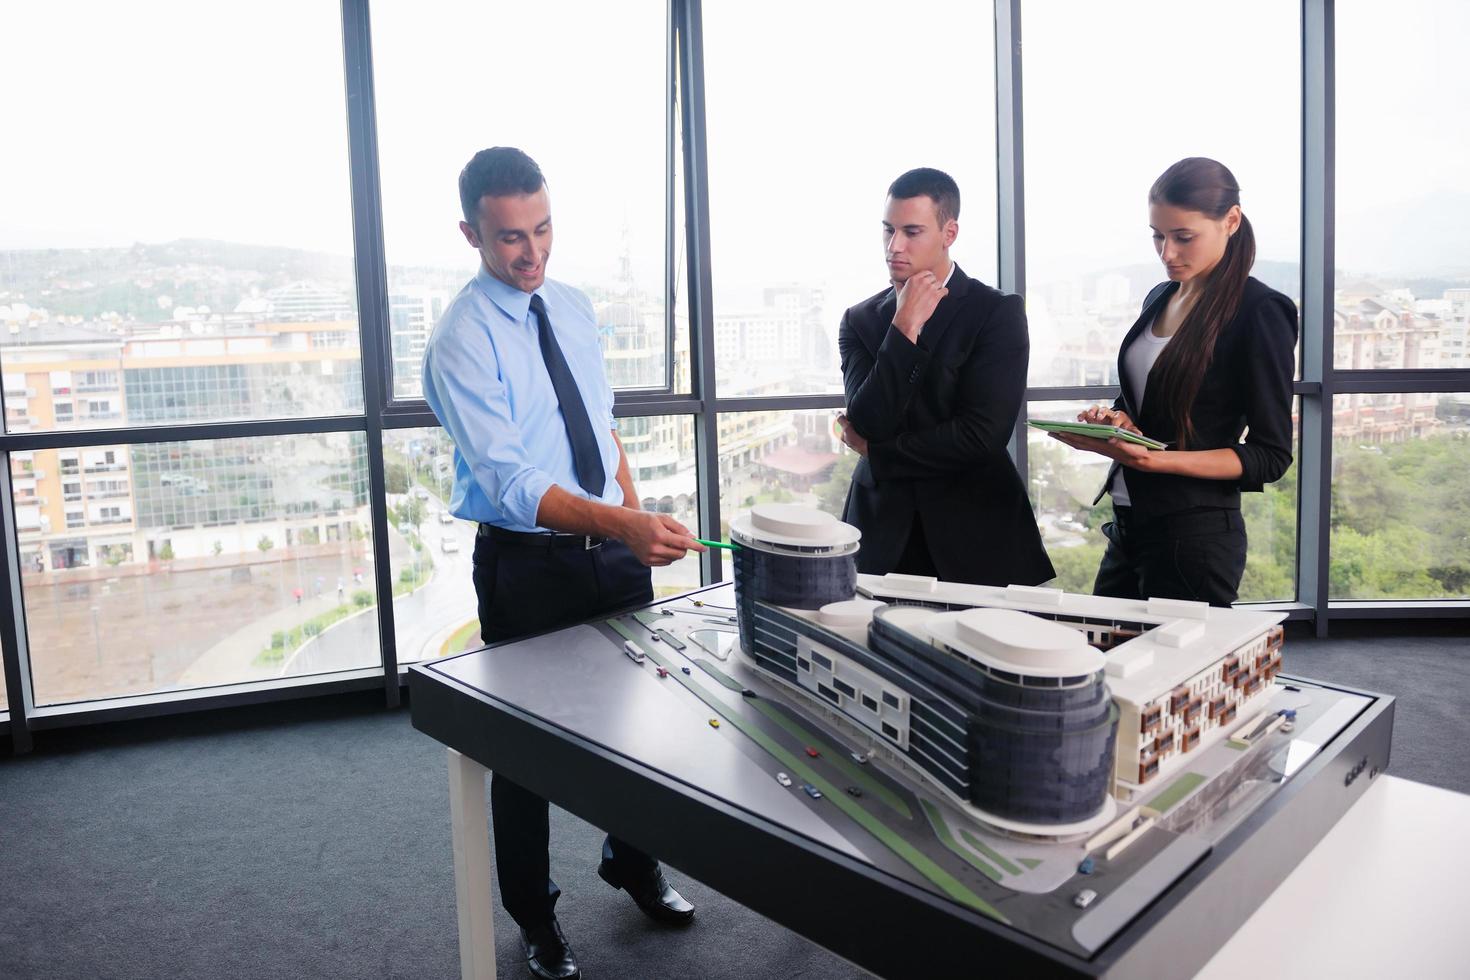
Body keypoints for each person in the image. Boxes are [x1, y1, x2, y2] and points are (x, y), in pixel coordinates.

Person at [422, 146, 705, 980]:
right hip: (527, 566)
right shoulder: (461, 340)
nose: (532, 252)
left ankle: (632, 860)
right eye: (510, 237)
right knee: (526, 756)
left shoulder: (574, 308)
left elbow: (600, 421)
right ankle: (535, 918)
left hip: (612, 552)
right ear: (471, 232)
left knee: (639, 726)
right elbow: (511, 480)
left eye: (543, 229)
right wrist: (623, 521)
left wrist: (629, 500)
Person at [1048, 157, 1297, 607]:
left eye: (1183, 237)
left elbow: (1271, 455)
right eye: (1158, 237)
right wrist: (1115, 420)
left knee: (1170, 675)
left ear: (1231, 221)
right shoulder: (1161, 296)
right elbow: (1147, 398)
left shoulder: (1259, 311)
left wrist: (1154, 462)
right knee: (1101, 661)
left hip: (1193, 537)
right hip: (1128, 523)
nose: (1167, 253)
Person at [835, 167, 1054, 587]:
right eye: (888, 230)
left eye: (911, 231)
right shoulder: (860, 320)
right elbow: (868, 422)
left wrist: (879, 453)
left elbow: (981, 435)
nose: (894, 246)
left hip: (975, 533)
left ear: (949, 233)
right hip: (882, 534)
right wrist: (903, 329)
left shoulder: (996, 312)